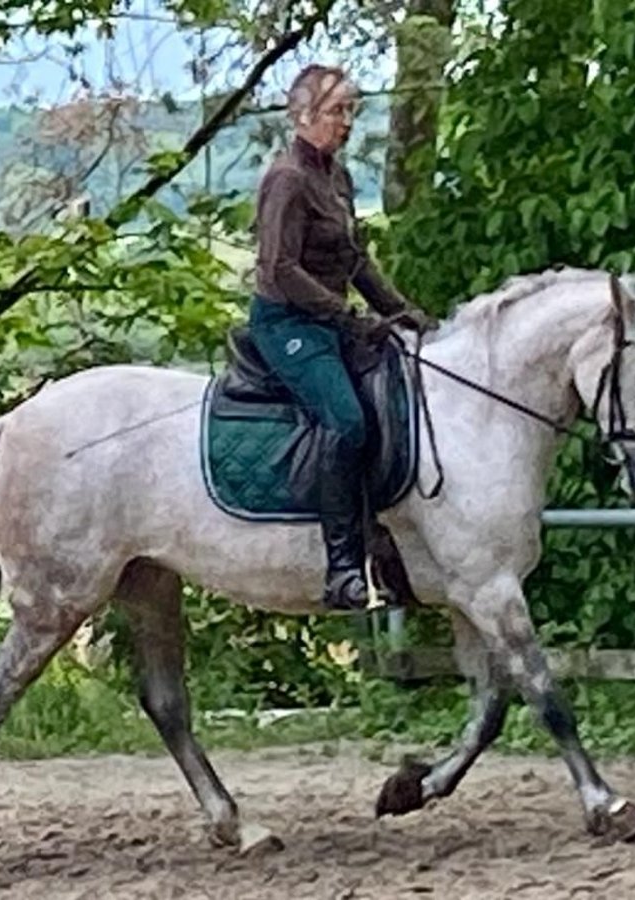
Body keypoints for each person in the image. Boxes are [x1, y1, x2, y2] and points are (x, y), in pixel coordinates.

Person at [249, 63, 436, 611]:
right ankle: (343, 569)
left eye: (352, 110)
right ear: (302, 115)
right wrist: (344, 316)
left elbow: (354, 260)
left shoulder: (337, 178)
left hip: (330, 321)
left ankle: (387, 544)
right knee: (347, 420)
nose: (347, 121)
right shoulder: (287, 179)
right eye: (336, 111)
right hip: (286, 323)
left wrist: (401, 313)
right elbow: (279, 268)